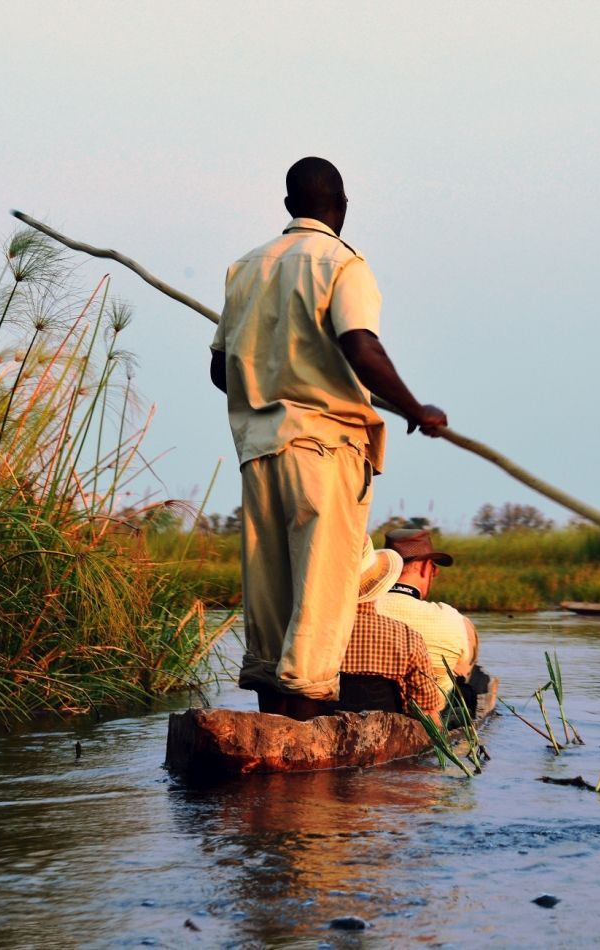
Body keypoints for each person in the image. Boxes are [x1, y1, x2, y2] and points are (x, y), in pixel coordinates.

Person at [210, 157, 447, 718]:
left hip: (261, 451)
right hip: (325, 448)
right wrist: (416, 409)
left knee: (270, 587)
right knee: (323, 586)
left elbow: (221, 373)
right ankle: (307, 714)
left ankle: (272, 711)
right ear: (341, 208)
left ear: (291, 206)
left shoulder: (245, 268)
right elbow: (361, 345)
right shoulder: (343, 263)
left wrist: (269, 370)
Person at [333, 538, 444, 725]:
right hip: (389, 734)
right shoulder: (408, 638)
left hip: (329, 730)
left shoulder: (317, 637)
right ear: (379, 585)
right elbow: (428, 710)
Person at [377, 527, 478, 704]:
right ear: (425, 567)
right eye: (434, 567)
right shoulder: (456, 622)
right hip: (433, 719)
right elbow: (464, 671)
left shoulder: (356, 610)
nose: (436, 573)